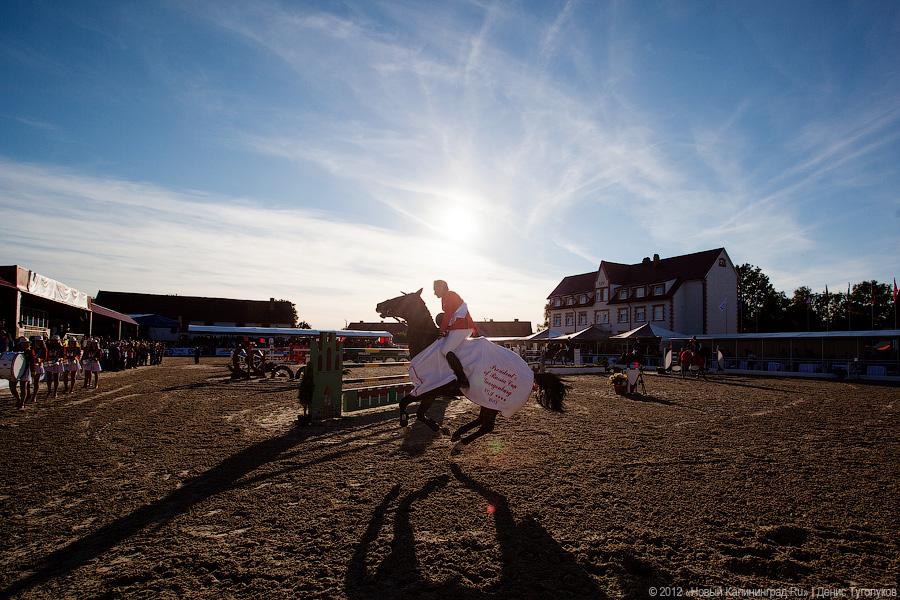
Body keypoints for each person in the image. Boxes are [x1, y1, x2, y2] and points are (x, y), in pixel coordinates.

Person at [433, 279, 476, 388]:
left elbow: (448, 315)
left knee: (445, 350)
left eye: (435, 290)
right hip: (459, 327)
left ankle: (463, 380)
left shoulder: (449, 296)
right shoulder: (446, 296)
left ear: (441, 288)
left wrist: (442, 330)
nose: (434, 293)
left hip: (463, 327)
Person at [32, 335, 48, 402]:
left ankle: (34, 396)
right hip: (31, 365)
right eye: (37, 341)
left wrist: (40, 360)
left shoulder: (44, 349)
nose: (38, 342)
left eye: (40, 341)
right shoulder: (31, 348)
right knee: (28, 382)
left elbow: (45, 358)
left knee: (36, 382)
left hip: (38, 365)